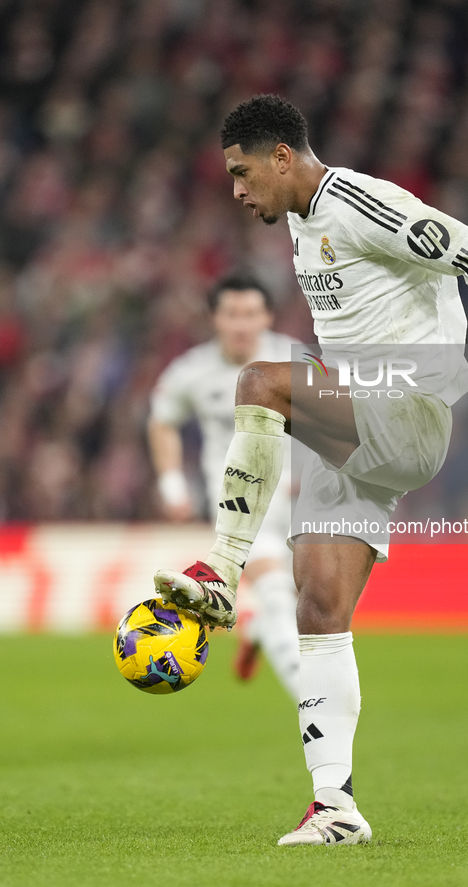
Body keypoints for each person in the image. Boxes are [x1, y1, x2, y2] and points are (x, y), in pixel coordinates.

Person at [154, 95, 468, 846]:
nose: (236, 191)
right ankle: (335, 808)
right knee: (318, 608)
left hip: (406, 409)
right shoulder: (296, 219)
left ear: (282, 157)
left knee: (260, 380)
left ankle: (218, 570)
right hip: (350, 426)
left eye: (242, 173)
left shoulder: (360, 203)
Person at [149, 274, 299, 702]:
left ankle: (254, 629)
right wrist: (173, 485)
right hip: (244, 510)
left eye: (250, 314)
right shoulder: (192, 370)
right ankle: (315, 710)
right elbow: (163, 420)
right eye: (231, 314)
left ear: (267, 317)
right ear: (215, 318)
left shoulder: (296, 359)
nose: (241, 324)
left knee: (310, 608)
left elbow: (337, 422)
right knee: (277, 599)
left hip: (300, 504)